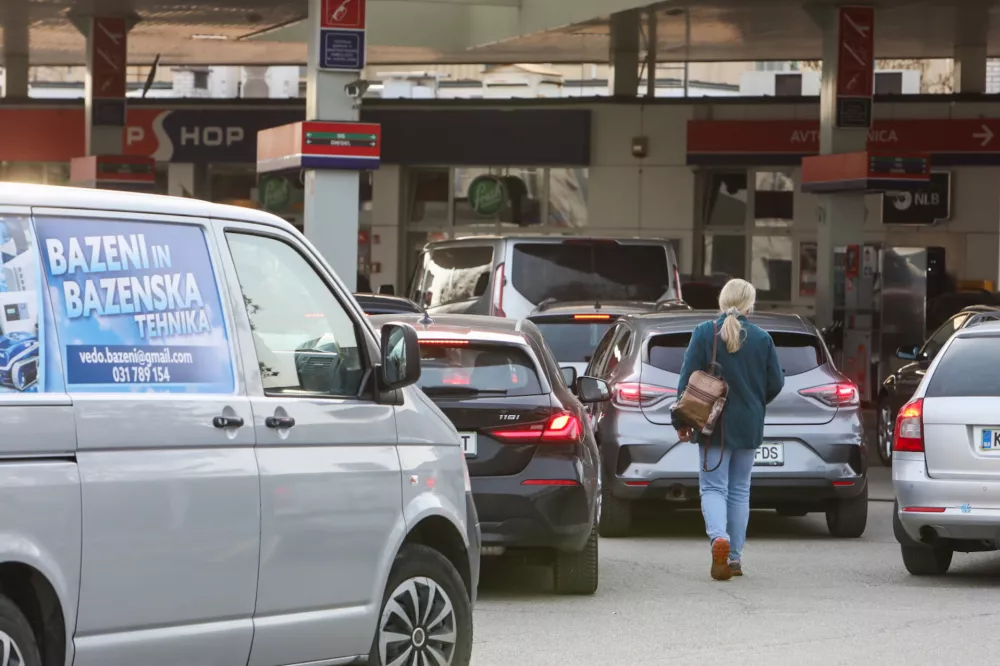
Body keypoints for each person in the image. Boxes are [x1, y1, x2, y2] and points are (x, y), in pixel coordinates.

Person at [676, 278, 784, 581]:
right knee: (739, 490)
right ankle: (734, 558)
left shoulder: (703, 333)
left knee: (713, 487)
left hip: (713, 424)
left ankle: (718, 539)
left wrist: (682, 420)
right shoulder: (763, 339)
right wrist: (753, 401)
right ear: (750, 304)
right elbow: (776, 383)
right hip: (748, 425)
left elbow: (687, 380)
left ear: (722, 302)